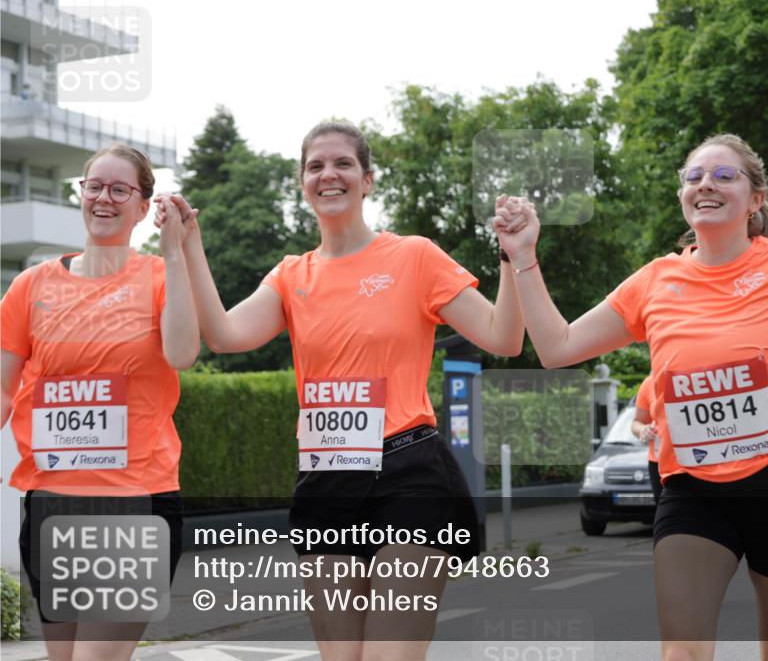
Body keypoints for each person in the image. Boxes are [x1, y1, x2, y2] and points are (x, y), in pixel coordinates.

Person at [494, 133, 768, 661]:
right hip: (694, 491)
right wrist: (522, 257)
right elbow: (556, 347)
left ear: (755, 200)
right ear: (683, 194)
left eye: (725, 176)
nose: (706, 184)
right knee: (682, 653)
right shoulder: (656, 280)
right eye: (694, 176)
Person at [156, 120, 524, 661]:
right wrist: (189, 245)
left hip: (410, 472)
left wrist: (512, 258)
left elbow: (504, 337)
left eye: (343, 164)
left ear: (368, 180)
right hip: (327, 479)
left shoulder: (414, 257)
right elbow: (225, 334)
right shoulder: (290, 275)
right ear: (302, 182)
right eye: (316, 166)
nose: (329, 174)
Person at [0, 144, 199, 661]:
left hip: (133, 500)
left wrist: (175, 252)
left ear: (141, 206)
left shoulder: (159, 276)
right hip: (50, 501)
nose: (103, 198)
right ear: (80, 195)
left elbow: (182, 353)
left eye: (119, 189)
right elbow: (3, 389)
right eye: (94, 186)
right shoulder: (30, 287)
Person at [631, 375, 662, 502]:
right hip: (658, 462)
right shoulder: (649, 382)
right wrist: (643, 429)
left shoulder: (695, 377)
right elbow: (636, 423)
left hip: (696, 461)